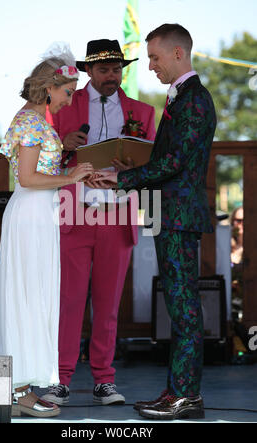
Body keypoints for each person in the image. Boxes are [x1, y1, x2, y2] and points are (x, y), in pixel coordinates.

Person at [92, 24, 217, 420]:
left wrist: (123, 179)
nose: (150, 66)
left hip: (179, 216)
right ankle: (177, 392)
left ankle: (185, 396)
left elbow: (176, 162)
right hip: (169, 213)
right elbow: (168, 160)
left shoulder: (195, 100)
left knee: (183, 309)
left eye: (155, 58)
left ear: (178, 54)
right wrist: (130, 167)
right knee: (177, 307)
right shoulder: (180, 98)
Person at [0, 43, 94, 418]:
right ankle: (16, 391)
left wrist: (67, 161)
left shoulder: (37, 121)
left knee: (34, 297)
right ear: (50, 87)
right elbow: (28, 178)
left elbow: (36, 169)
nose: (69, 100)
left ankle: (22, 388)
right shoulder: (31, 123)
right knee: (26, 298)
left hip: (38, 215)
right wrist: (70, 176)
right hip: (30, 214)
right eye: (67, 92)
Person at [42, 39, 156, 406]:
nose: (112, 76)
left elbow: (152, 162)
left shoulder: (142, 111)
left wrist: (134, 164)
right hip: (74, 214)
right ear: (88, 71)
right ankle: (60, 379)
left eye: (117, 69)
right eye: (104, 69)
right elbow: (37, 158)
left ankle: (105, 380)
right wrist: (63, 145)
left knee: (108, 305)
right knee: (69, 300)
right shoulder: (61, 104)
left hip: (118, 215)